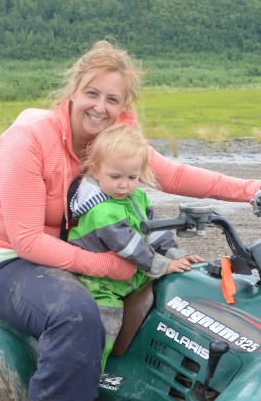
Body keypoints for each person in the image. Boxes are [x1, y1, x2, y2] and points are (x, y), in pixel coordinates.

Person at [0, 40, 261, 401]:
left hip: (78, 248)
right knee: (75, 312)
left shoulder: (112, 140)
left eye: (114, 99)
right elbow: (25, 239)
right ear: (73, 90)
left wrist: (248, 190)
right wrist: (108, 267)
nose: (101, 107)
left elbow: (171, 174)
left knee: (174, 288)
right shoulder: (28, 141)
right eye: (93, 94)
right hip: (9, 258)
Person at [67, 123, 203, 376]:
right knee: (106, 323)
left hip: (128, 277)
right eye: (115, 177)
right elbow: (129, 246)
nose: (123, 185)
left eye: (131, 177)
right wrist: (163, 265)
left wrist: (176, 256)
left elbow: (152, 232)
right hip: (98, 284)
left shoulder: (138, 199)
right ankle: (89, 375)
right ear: (96, 170)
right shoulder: (101, 210)